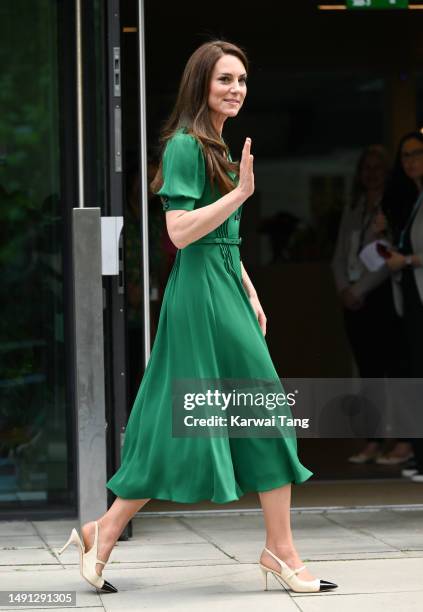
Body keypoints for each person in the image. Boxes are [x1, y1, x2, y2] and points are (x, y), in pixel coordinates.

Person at [57, 40, 337, 595]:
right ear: (200, 85)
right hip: (199, 297)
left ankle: (105, 531)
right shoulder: (186, 145)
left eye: (242, 80)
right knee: (250, 412)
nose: (236, 89)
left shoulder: (215, 143)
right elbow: (181, 233)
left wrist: (250, 290)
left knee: (242, 414)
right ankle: (276, 551)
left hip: (223, 287)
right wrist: (242, 193)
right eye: (224, 80)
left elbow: (222, 242)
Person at [332, 145, 412, 465]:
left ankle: (405, 439)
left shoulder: (394, 205)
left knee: (396, 368)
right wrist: (343, 288)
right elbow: (339, 253)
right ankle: (373, 439)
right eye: (366, 166)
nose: (372, 172)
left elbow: (389, 253)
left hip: (381, 295)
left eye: (379, 166)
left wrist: (360, 288)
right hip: (353, 298)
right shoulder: (354, 206)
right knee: (368, 372)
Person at [381, 131, 423, 483]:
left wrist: (406, 260)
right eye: (406, 155)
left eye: (417, 153)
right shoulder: (415, 199)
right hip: (411, 296)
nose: (411, 161)